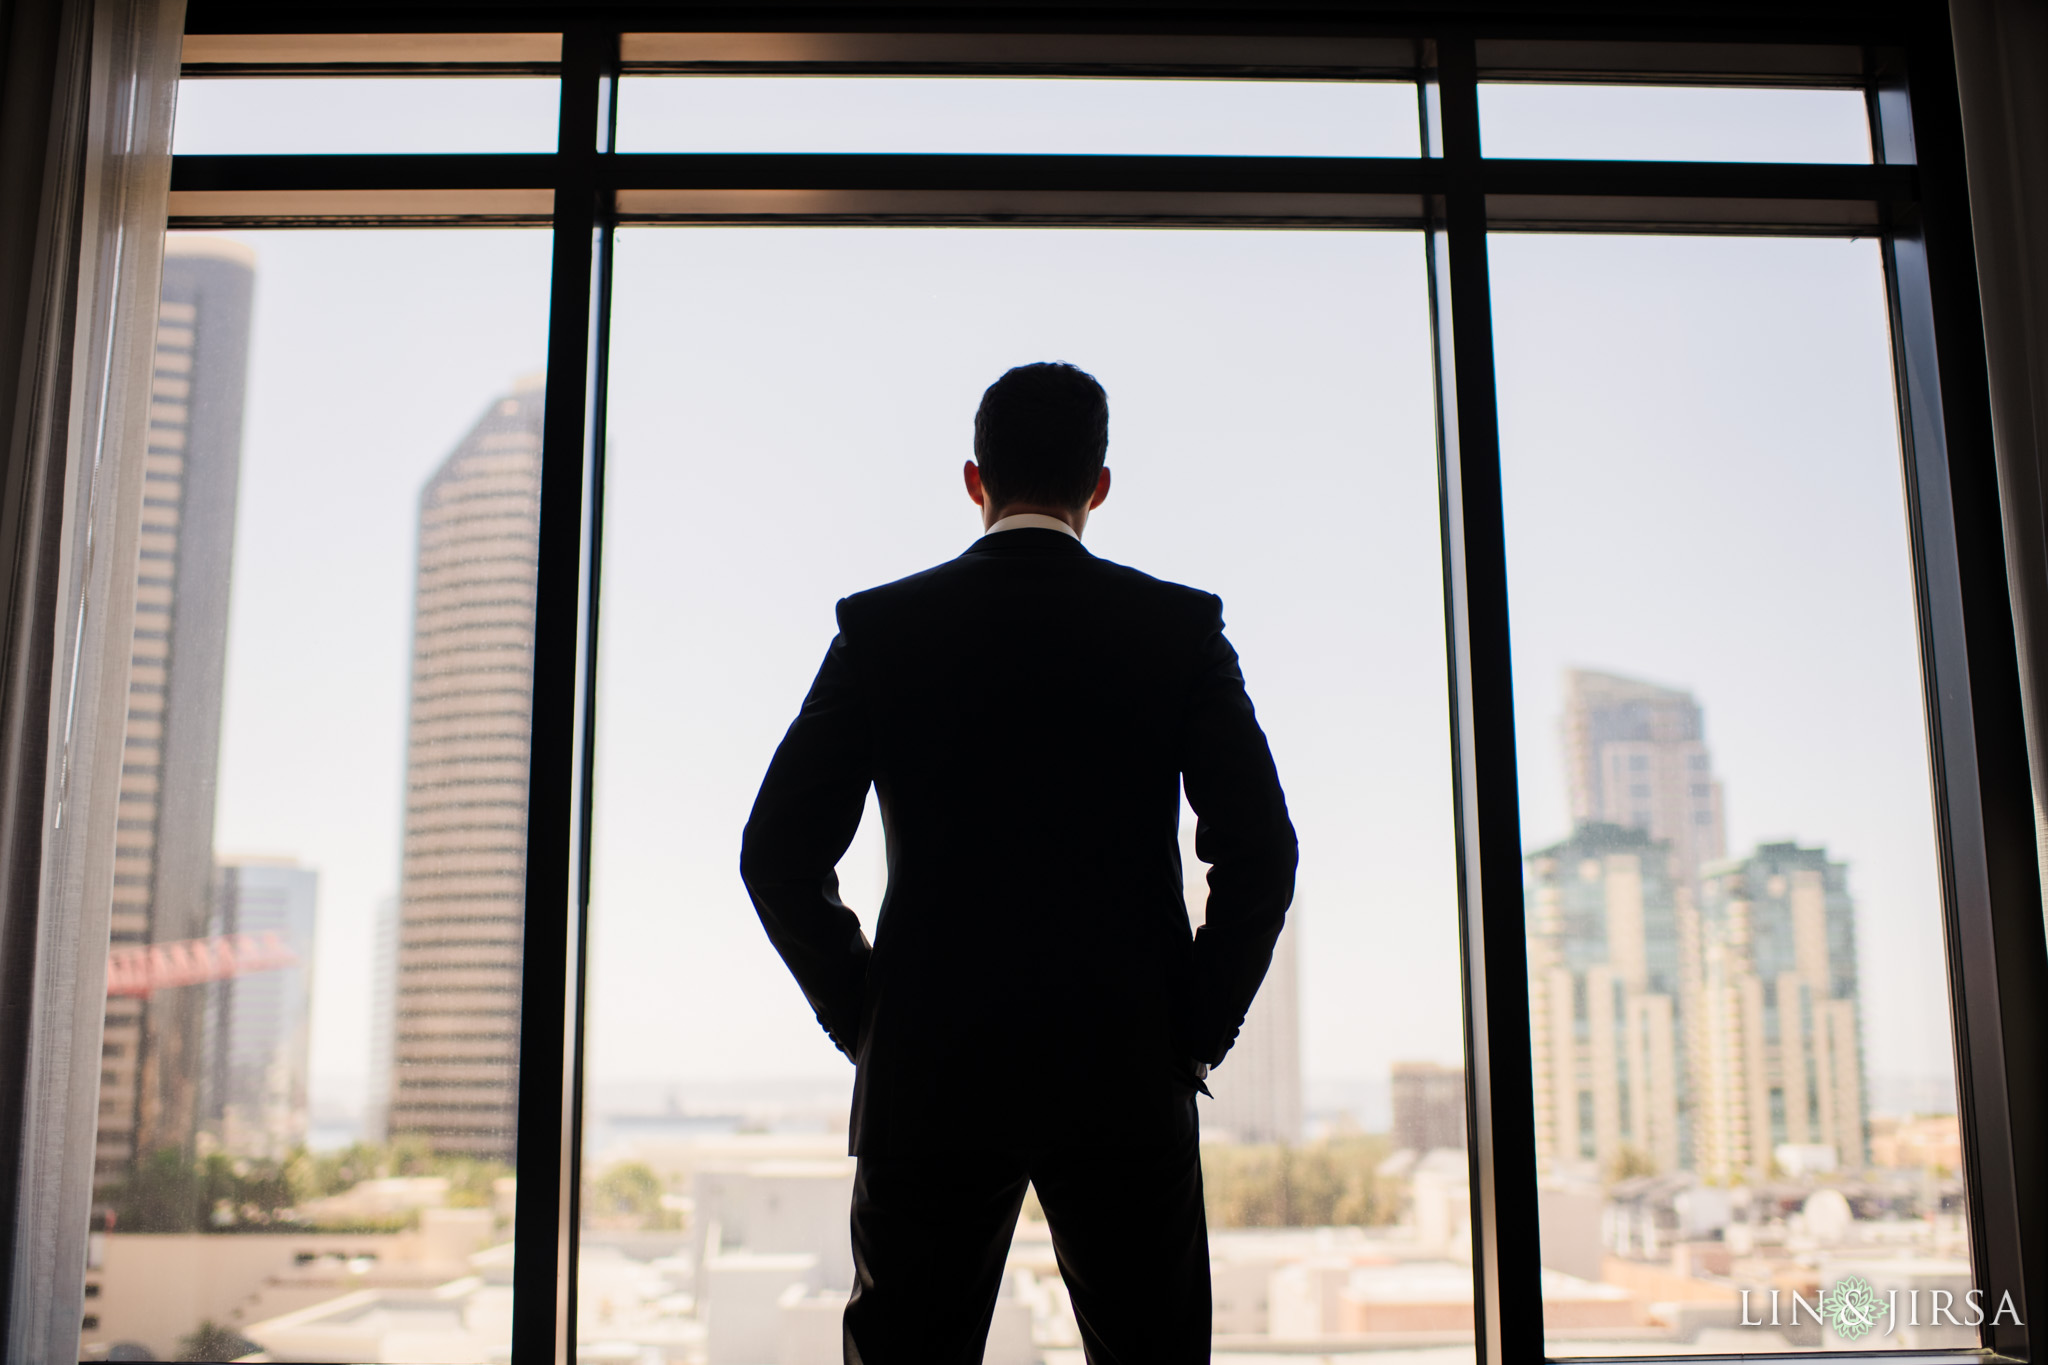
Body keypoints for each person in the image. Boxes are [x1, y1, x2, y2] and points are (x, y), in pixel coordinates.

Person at [740, 361, 1297, 1364]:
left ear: (972, 479)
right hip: (1126, 1072)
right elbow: (1260, 855)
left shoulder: (881, 631)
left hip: (931, 1075)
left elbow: (776, 854)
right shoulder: (1178, 631)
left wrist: (869, 1017)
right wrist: (1191, 1030)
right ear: (1099, 485)